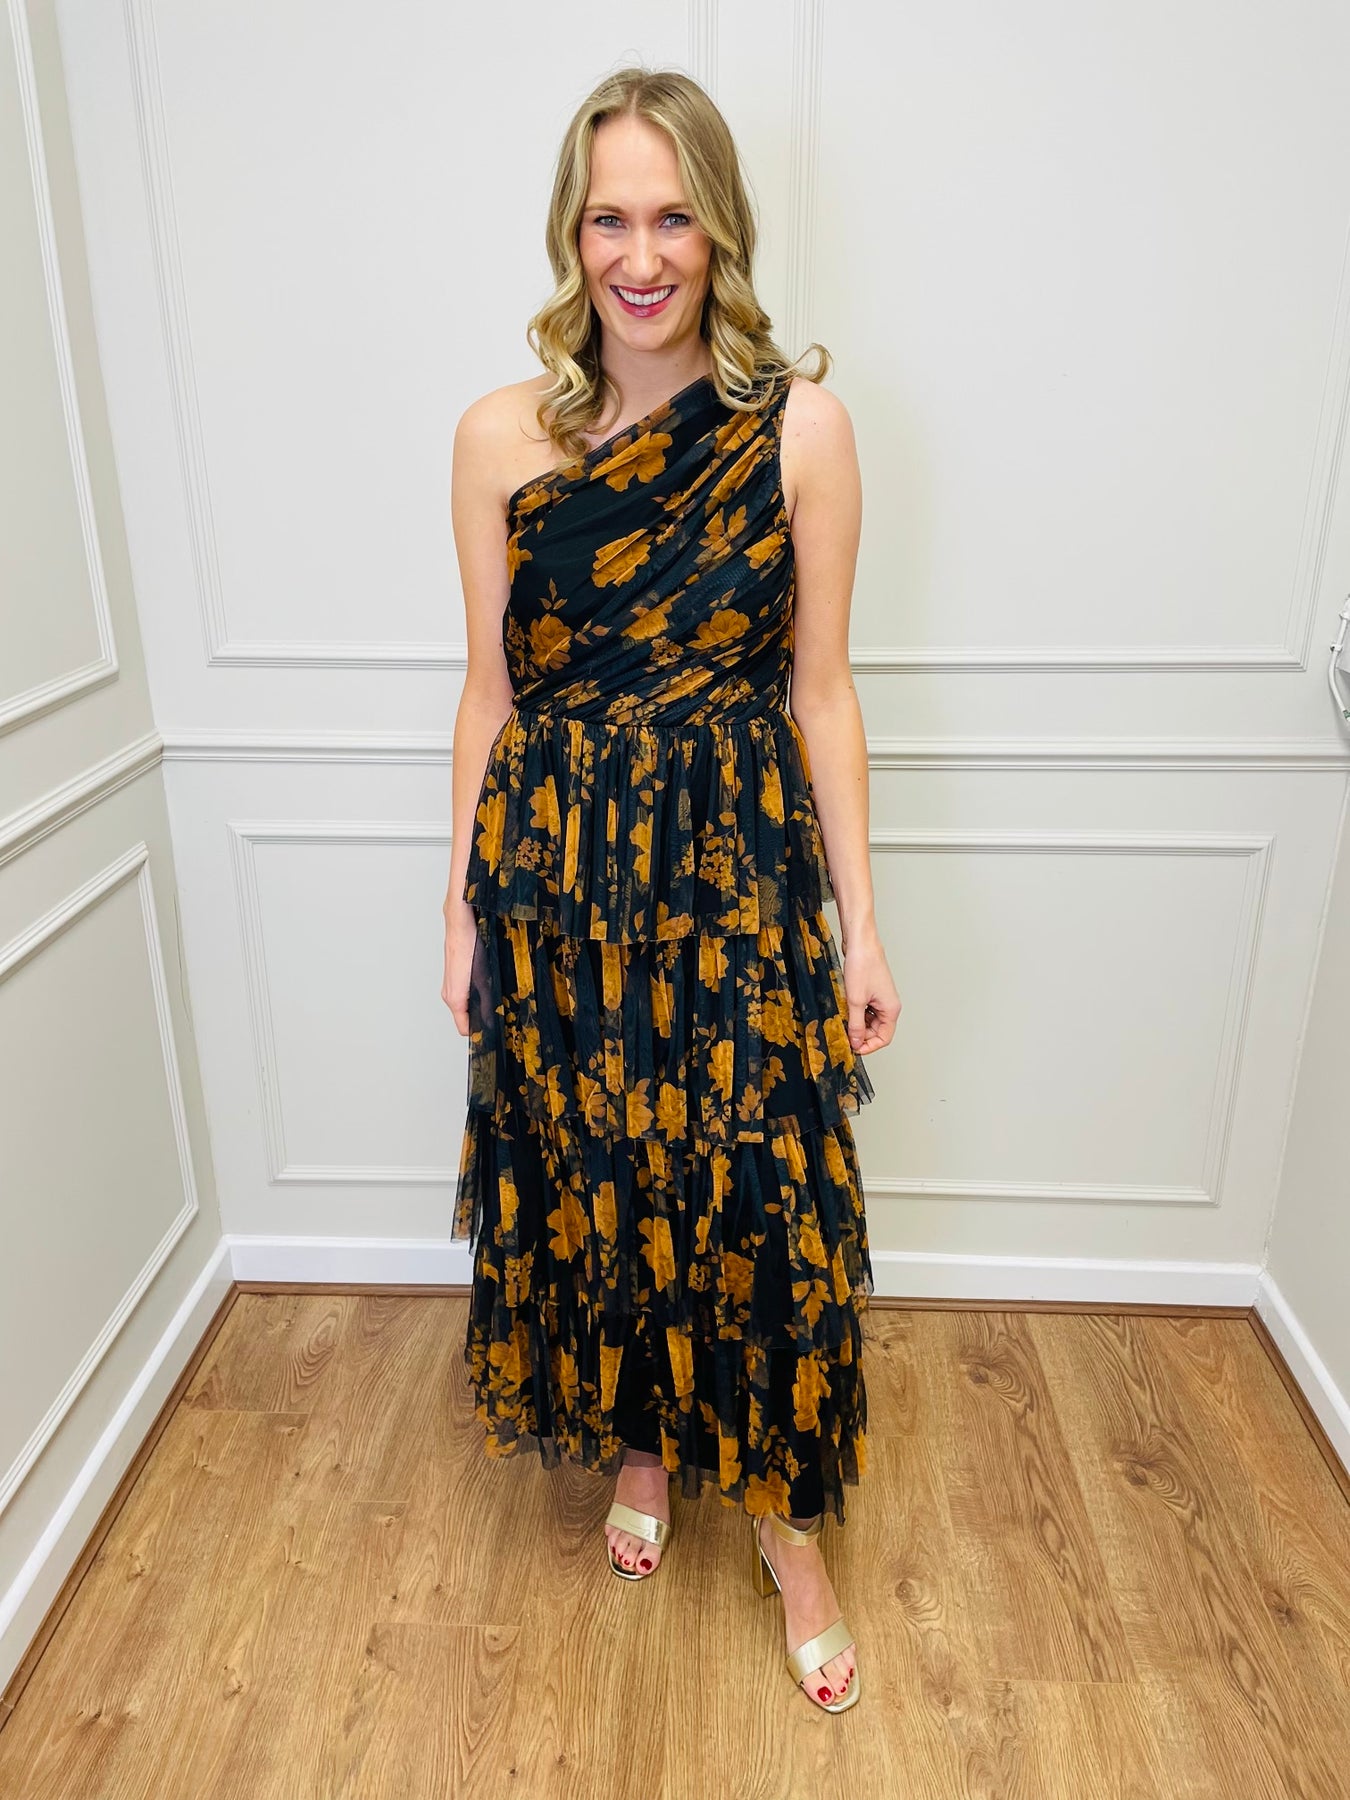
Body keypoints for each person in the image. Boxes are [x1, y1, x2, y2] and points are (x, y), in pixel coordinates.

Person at [442, 66, 900, 1716]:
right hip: (559, 882)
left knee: (757, 1203)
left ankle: (787, 1533)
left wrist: (859, 924)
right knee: (599, 1174)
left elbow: (821, 694)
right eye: (608, 220)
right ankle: (641, 1446)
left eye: (672, 218)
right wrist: (460, 913)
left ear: (720, 229)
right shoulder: (499, 436)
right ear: (572, 235)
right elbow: (489, 696)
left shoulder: (801, 429)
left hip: (730, 874)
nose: (640, 257)